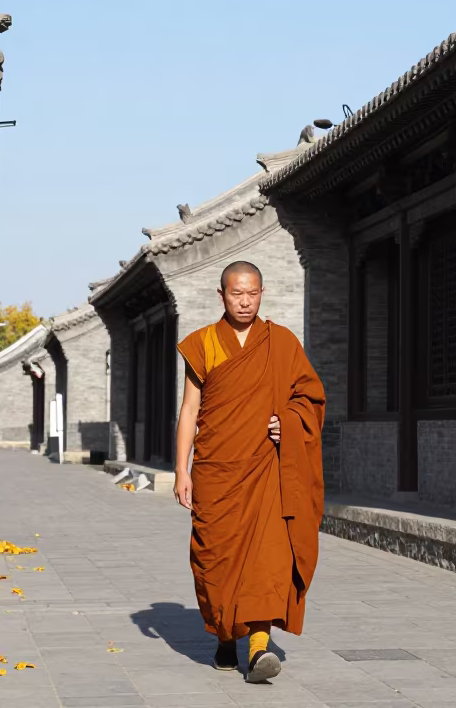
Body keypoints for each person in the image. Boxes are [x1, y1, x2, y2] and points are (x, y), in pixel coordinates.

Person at [173, 260, 326, 684]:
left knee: (268, 559)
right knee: (215, 561)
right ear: (221, 295)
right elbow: (190, 410)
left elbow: (309, 397)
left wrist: (289, 420)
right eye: (237, 293)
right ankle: (225, 636)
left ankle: (259, 645)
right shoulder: (203, 343)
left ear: (262, 293)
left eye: (253, 293)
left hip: (266, 471)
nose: (245, 301)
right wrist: (180, 470)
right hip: (217, 471)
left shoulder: (281, 342)